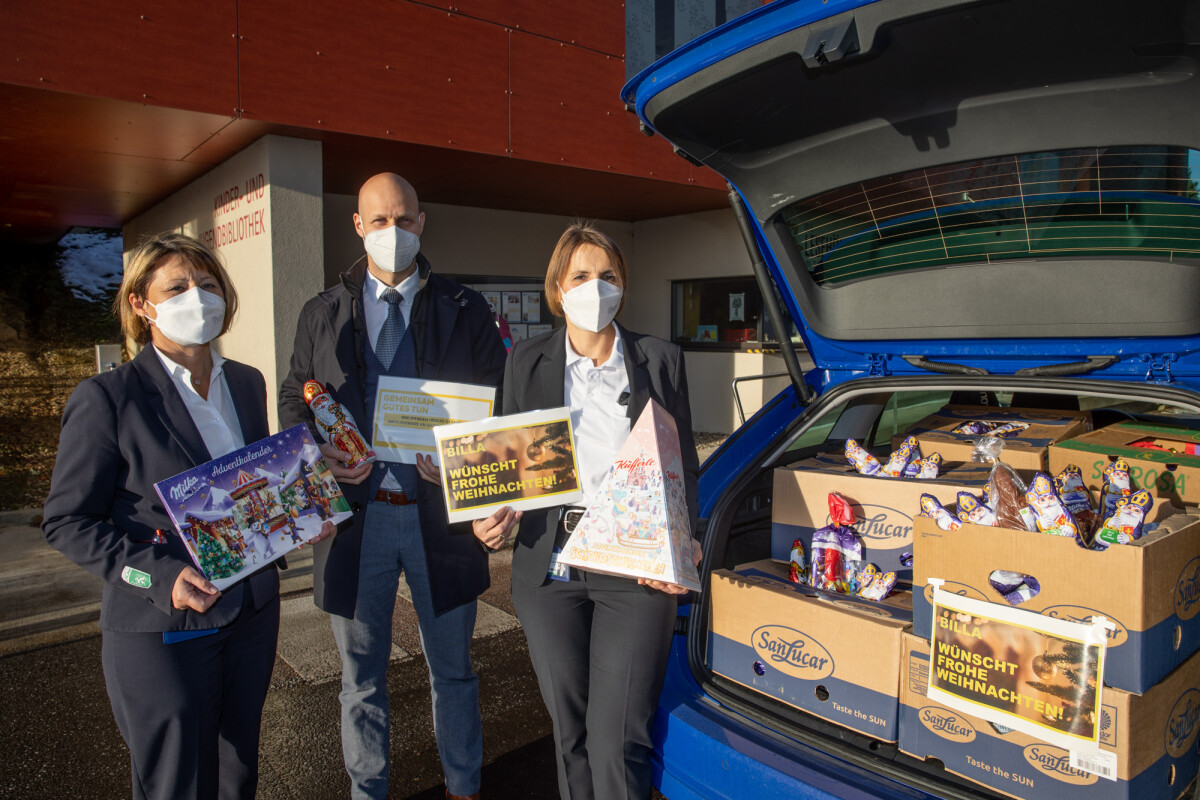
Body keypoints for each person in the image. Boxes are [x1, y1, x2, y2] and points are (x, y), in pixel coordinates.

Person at [278, 172, 507, 800]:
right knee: (360, 680)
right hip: (359, 521)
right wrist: (319, 457)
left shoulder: (466, 309)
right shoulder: (320, 313)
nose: (393, 232)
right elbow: (292, 398)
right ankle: (367, 791)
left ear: (422, 222)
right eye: (379, 220)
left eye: (404, 219)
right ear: (358, 225)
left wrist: (469, 464)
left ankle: (464, 786)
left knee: (454, 671)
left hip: (442, 517)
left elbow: (499, 402)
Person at [42, 232, 289, 799]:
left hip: (251, 613)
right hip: (165, 628)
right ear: (140, 304)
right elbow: (67, 521)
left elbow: (247, 490)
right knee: (176, 781)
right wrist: (156, 575)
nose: (196, 298)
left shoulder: (247, 383)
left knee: (237, 771)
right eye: (176, 287)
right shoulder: (107, 398)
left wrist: (298, 513)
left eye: (207, 286)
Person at [474, 223, 702, 800]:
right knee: (569, 732)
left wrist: (687, 536)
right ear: (557, 289)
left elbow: (685, 465)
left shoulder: (659, 359)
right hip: (550, 569)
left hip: (634, 567)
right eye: (581, 276)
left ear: (624, 287)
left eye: (608, 276)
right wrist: (494, 514)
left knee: (619, 737)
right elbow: (512, 468)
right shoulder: (525, 361)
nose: (594, 287)